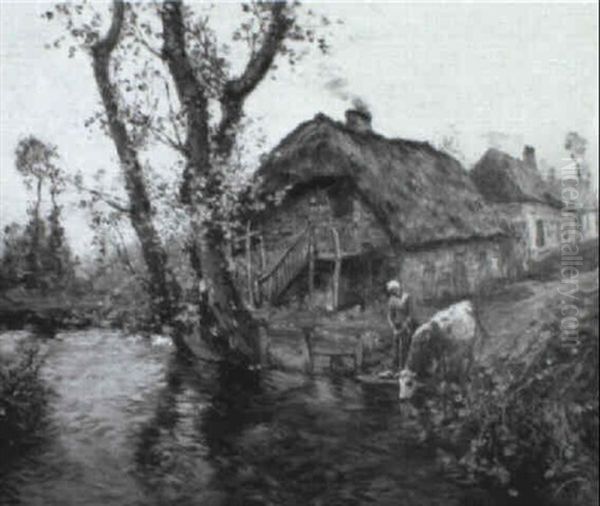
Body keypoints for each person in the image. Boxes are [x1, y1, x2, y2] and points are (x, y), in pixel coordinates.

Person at [386, 279, 413, 369]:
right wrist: (393, 328)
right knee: (396, 347)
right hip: (397, 325)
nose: (394, 292)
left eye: (395, 290)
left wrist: (405, 325)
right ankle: (396, 367)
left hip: (405, 326)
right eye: (392, 291)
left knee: (405, 347)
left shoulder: (406, 297)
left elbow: (409, 314)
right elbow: (390, 315)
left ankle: (404, 367)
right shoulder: (392, 300)